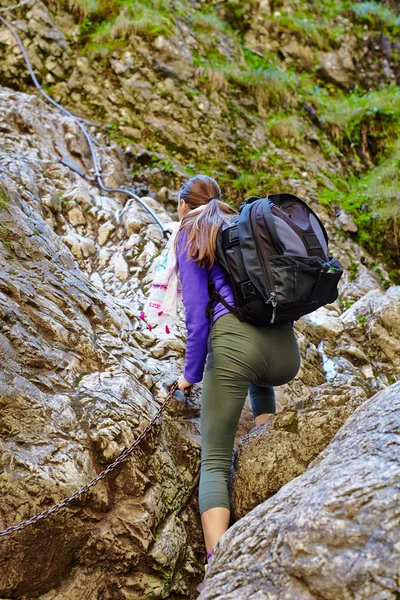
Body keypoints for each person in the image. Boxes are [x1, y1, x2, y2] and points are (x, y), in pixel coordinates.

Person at [173, 175, 301, 564]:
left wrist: (189, 376)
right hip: (285, 355)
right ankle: (266, 435)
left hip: (235, 349)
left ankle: (219, 563)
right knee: (255, 374)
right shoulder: (245, 224)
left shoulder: (191, 231)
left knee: (214, 459)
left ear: (183, 205)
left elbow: (197, 318)